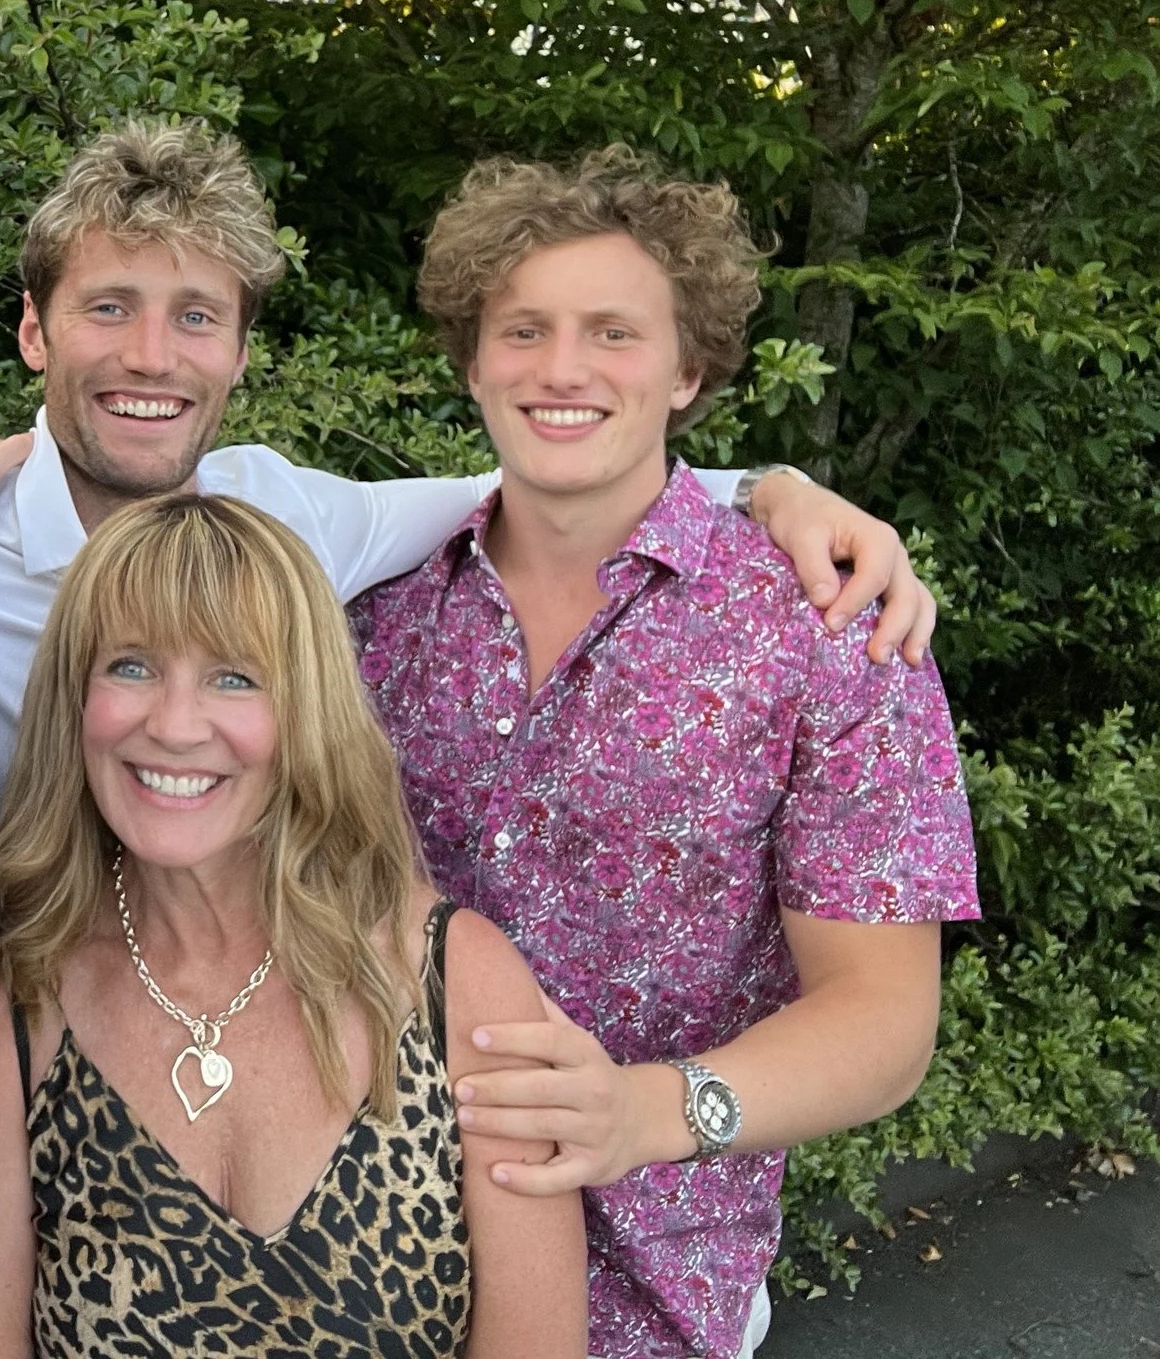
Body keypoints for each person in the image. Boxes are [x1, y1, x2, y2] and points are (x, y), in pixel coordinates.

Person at [0, 120, 937, 826]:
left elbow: (559, 476)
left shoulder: (286, 510)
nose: (154, 354)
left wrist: (773, 487)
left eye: (198, 314)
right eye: (110, 306)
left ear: (243, 348)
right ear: (30, 328)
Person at [349, 150, 981, 1359]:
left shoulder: (828, 630)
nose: (561, 368)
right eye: (521, 329)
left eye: (613, 333)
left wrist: (643, 1111)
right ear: (472, 360)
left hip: (651, 1302)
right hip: (364, 1270)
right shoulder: (370, 607)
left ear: (688, 368)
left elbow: (883, 1020)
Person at [0, 494, 588, 1358]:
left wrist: (765, 487)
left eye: (234, 677)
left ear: (304, 710)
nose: (172, 723)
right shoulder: (22, 1008)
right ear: (74, 697)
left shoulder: (458, 983)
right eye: (129, 666)